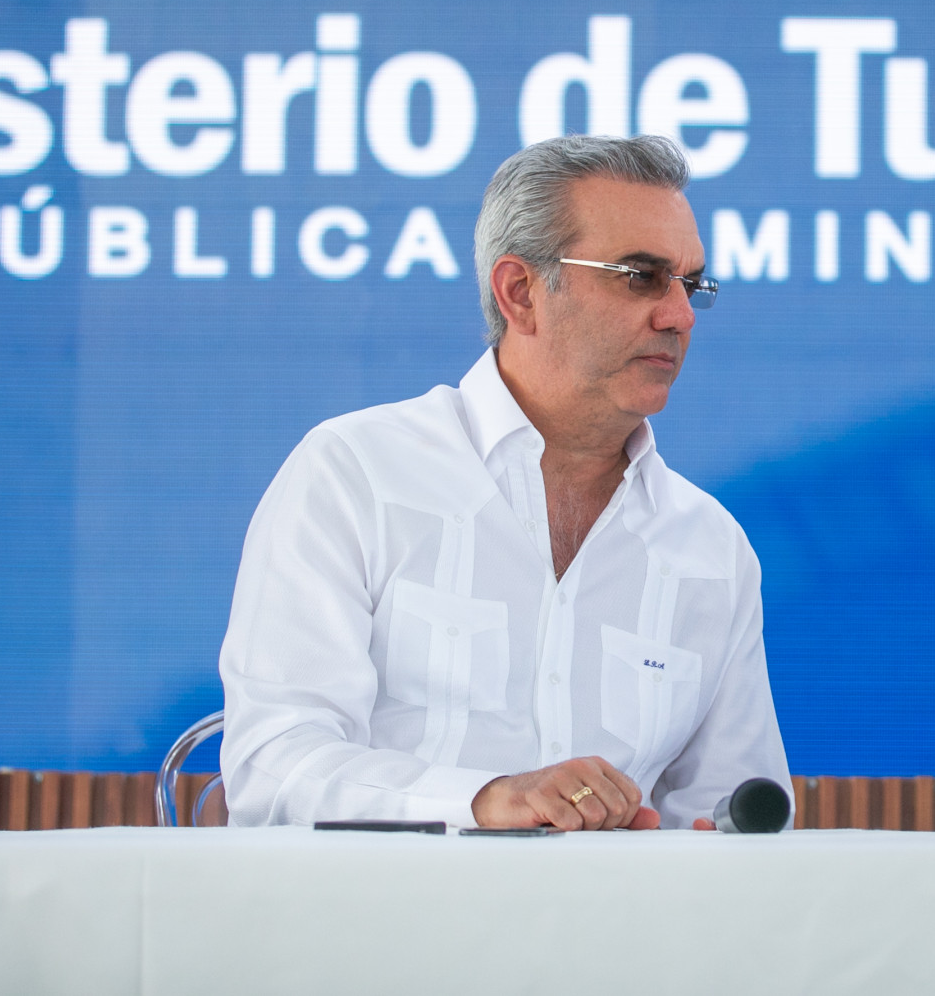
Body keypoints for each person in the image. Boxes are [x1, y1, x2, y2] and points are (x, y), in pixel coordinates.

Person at [219, 135, 790, 830]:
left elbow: (737, 809)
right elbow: (274, 768)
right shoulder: (354, 474)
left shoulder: (711, 548)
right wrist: (486, 800)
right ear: (521, 293)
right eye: (641, 276)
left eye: (690, 284)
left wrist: (710, 848)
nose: (679, 316)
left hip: (616, 906)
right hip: (379, 902)